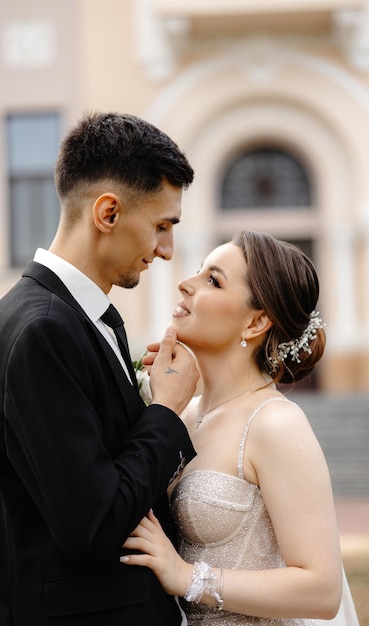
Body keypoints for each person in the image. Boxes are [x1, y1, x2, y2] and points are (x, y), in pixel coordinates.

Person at [0, 112, 200, 626]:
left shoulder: (63, 317)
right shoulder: (45, 329)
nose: (166, 249)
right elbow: (92, 525)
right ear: (107, 213)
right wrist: (166, 413)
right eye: (161, 225)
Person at [121, 230, 360, 626]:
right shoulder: (179, 413)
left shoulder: (275, 424)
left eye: (212, 280)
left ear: (256, 322)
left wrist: (186, 577)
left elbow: (322, 590)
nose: (185, 282)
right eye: (199, 271)